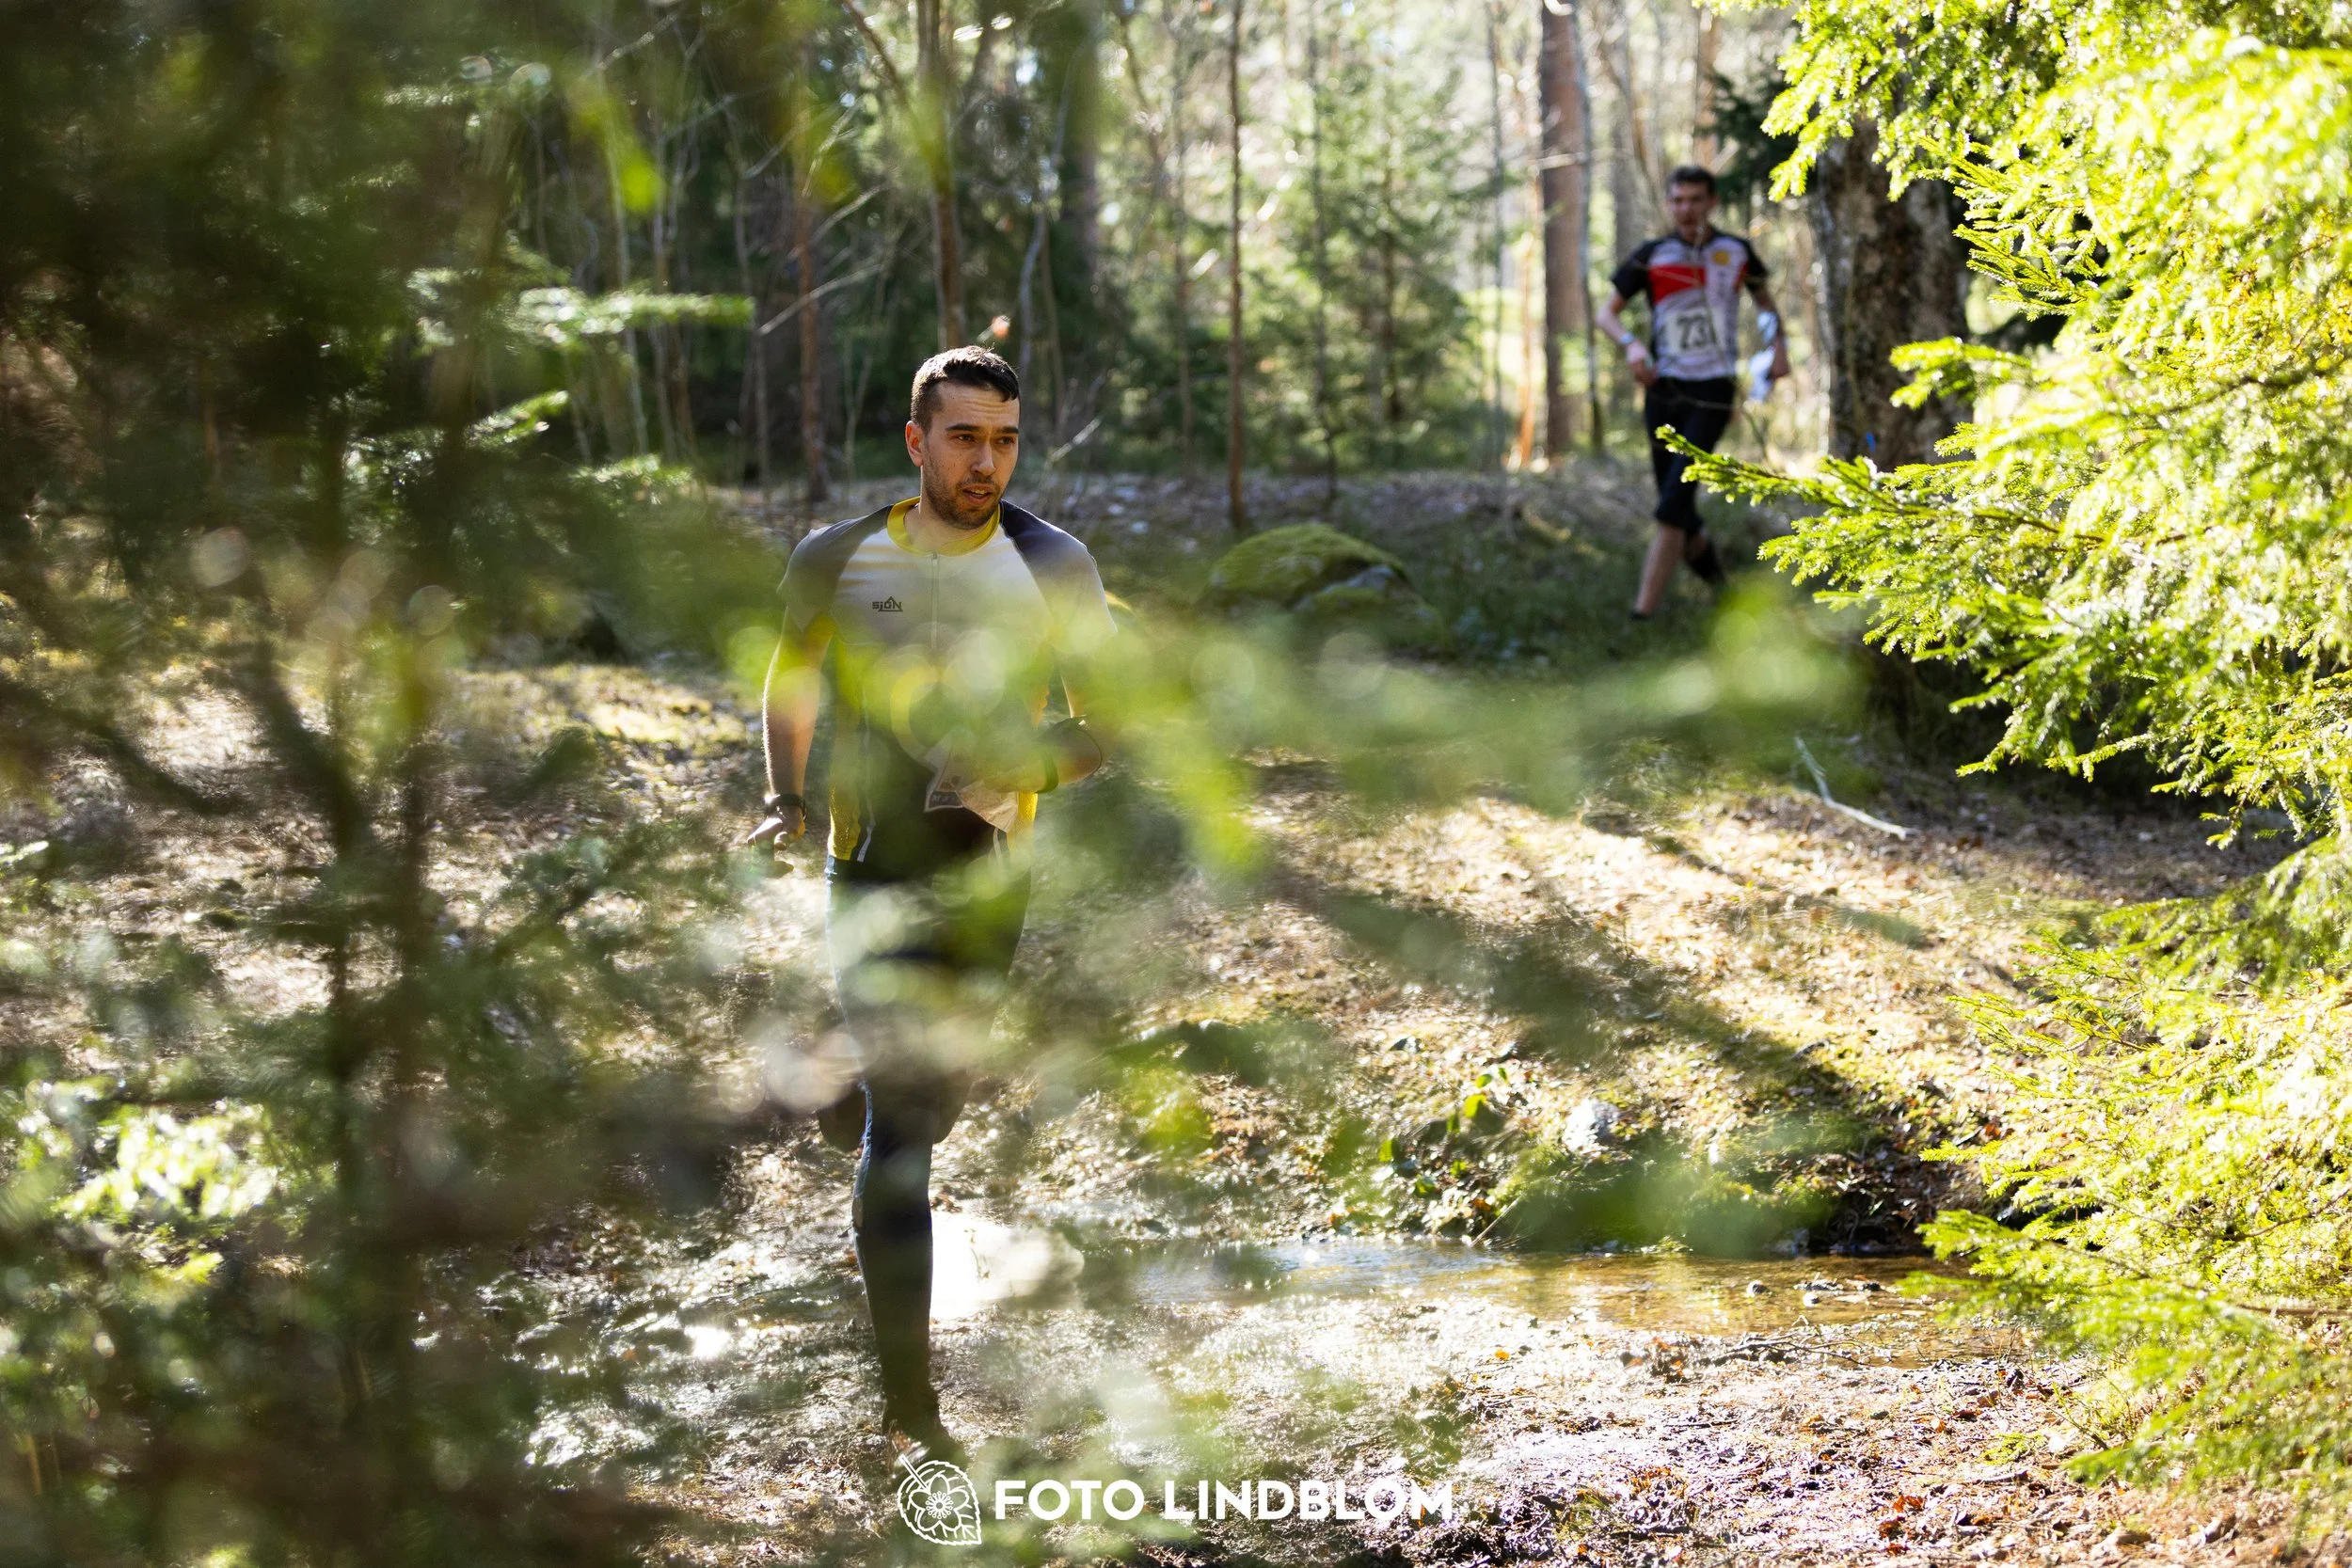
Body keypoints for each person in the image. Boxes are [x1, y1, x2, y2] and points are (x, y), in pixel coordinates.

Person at [747, 346, 1114, 1460]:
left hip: (991, 872)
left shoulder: (1053, 561)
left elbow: (1106, 723)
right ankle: (910, 1402)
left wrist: (1023, 766)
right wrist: (781, 791)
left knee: (937, 1100)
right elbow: (790, 676)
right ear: (917, 442)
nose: (986, 461)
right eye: (965, 438)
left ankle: (866, 1090)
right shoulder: (838, 555)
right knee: (904, 1135)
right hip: (866, 867)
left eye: (1004, 439)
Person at [1596, 164, 1791, 620]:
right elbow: (1607, 314)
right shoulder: (1652, 255)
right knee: (1680, 511)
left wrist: (1777, 346)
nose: (1687, 209)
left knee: (1671, 506)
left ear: (1712, 203)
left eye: (1696, 200)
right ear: (1669, 204)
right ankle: (1728, 597)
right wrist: (1631, 347)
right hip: (1664, 391)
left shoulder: (1735, 251)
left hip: (1714, 393)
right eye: (1678, 200)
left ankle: (1641, 616)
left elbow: (1765, 304)